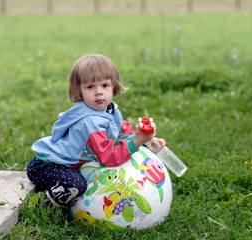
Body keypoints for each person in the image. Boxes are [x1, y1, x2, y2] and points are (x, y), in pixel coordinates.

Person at [26, 54, 166, 207]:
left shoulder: (110, 110)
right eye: (90, 87)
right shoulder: (90, 122)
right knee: (76, 185)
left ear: (114, 86)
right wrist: (137, 142)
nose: (98, 92)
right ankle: (40, 205)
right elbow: (107, 156)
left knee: (79, 181)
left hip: (65, 164)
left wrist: (142, 138)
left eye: (104, 85)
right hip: (47, 166)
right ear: (78, 90)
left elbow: (120, 133)